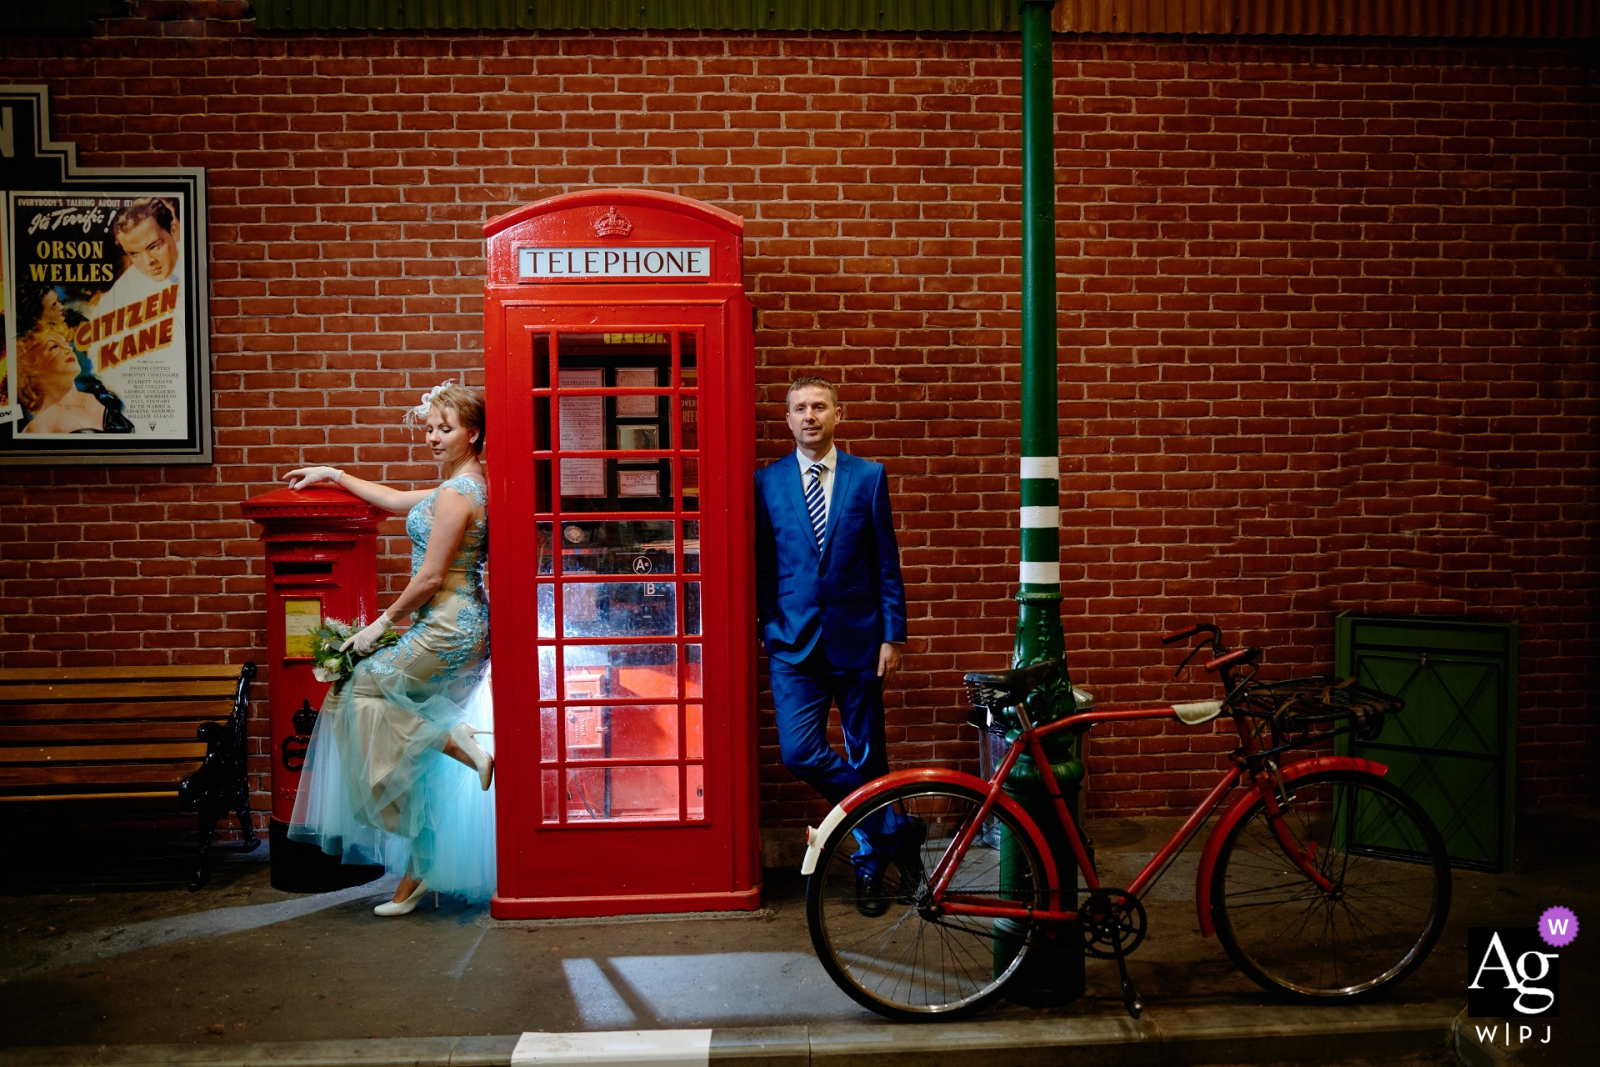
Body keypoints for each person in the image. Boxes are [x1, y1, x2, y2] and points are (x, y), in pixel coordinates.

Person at [285, 382, 495, 914]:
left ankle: (452, 738)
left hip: (446, 628)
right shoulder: (466, 486)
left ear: (472, 433)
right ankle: (418, 870)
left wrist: (379, 625)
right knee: (406, 743)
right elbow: (397, 499)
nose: (432, 438)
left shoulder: (456, 494)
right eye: (428, 428)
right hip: (457, 627)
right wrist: (334, 475)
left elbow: (429, 577)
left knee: (354, 690)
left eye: (444, 429)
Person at [754, 376, 919, 916]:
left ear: (837, 415)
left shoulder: (868, 477)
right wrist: (766, 624)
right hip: (792, 642)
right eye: (799, 407)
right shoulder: (767, 482)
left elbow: (885, 561)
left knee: (869, 755)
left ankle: (872, 862)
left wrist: (893, 633)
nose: (809, 416)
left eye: (819, 407)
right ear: (787, 418)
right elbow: (762, 562)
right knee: (800, 751)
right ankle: (893, 825)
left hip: (860, 639)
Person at [16, 329, 133, 434]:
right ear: (33, 367)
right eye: (54, 347)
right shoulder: (37, 429)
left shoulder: (102, 396)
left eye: (66, 343)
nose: (69, 349)